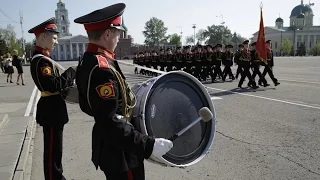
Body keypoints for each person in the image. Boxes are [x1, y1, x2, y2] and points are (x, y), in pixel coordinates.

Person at [74, 3, 173, 180]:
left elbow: (88, 105)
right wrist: (148, 145)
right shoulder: (102, 68)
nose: (119, 38)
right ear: (107, 34)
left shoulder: (89, 60)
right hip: (120, 152)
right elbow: (110, 121)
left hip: (113, 146)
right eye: (117, 33)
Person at [28, 17, 76, 180]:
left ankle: (56, 176)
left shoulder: (44, 58)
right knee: (52, 152)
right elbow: (52, 85)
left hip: (53, 109)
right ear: (42, 36)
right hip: (51, 110)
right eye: (54, 38)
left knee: (56, 150)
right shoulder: (41, 61)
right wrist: (71, 72)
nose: (56, 41)